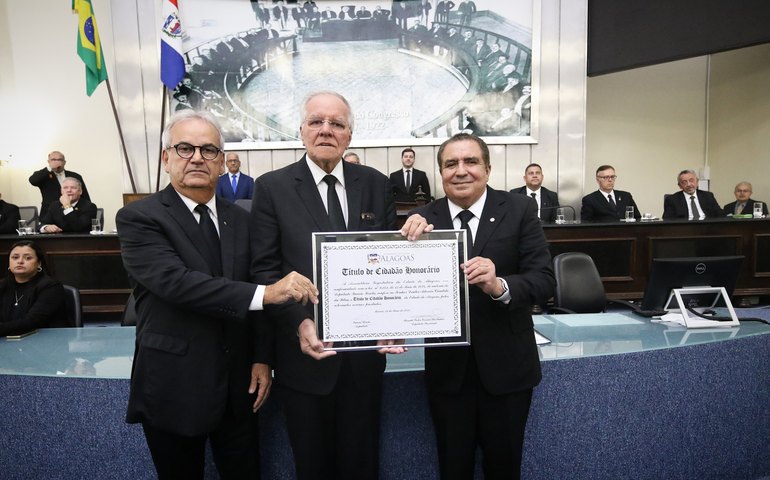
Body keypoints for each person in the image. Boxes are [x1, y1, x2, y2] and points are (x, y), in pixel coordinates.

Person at [116, 110, 319, 479]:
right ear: (166, 158)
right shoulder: (139, 217)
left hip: (239, 386)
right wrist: (266, 293)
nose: (197, 158)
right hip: (174, 382)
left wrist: (262, 358)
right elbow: (177, 283)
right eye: (185, 148)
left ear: (222, 162)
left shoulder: (242, 218)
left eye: (209, 150)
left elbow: (258, 279)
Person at [250, 91, 430, 480]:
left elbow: (388, 263)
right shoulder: (271, 187)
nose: (326, 130)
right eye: (316, 121)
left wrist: (395, 317)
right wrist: (299, 322)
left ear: (350, 134)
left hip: (364, 359)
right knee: (312, 466)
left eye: (337, 123)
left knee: (362, 464)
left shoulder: (376, 184)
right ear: (301, 131)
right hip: (303, 356)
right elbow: (264, 270)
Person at [412, 133, 555, 479]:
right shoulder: (420, 220)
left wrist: (499, 285)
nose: (461, 171)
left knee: (504, 469)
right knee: (453, 469)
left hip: (508, 369)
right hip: (448, 374)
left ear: (488, 169)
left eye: (471, 162)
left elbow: (544, 280)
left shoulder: (519, 210)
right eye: (451, 164)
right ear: (441, 173)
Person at [0, 240, 67, 337]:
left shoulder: (51, 287)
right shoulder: (3, 286)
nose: (20, 261)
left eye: (28, 258)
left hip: (44, 342)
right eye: (15, 257)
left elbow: (32, 322)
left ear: (39, 263)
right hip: (7, 340)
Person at [29, 151, 91, 218]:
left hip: (73, 213)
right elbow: (33, 181)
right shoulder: (44, 175)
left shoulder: (75, 176)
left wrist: (87, 211)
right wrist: (50, 168)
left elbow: (84, 196)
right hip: (49, 215)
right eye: (53, 160)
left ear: (64, 162)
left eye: (59, 160)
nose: (56, 162)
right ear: (48, 162)